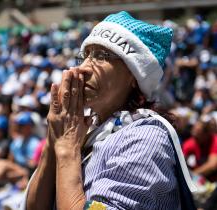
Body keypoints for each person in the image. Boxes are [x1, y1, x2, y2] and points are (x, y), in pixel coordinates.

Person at [24, 11, 196, 210]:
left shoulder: (145, 138)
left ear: (135, 75)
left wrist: (67, 150)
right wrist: (54, 138)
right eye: (85, 55)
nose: (84, 68)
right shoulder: (88, 129)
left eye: (102, 56)